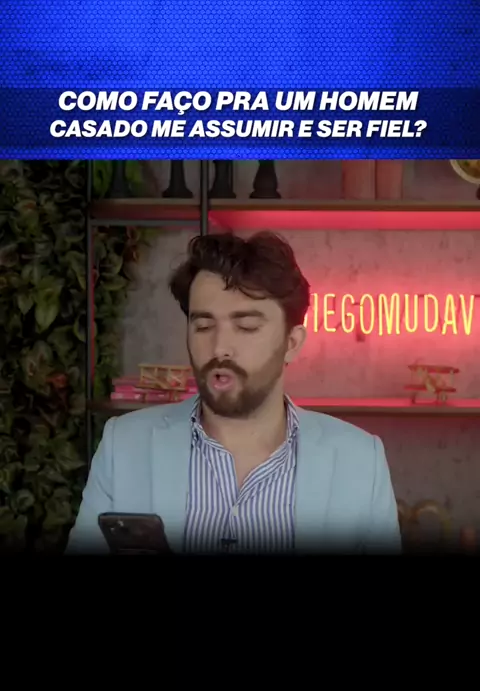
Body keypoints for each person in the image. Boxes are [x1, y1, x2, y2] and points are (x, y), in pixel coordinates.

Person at [67, 230, 401, 554]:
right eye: (203, 326)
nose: (219, 347)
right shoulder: (124, 445)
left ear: (292, 342)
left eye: (246, 327)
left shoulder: (359, 461)